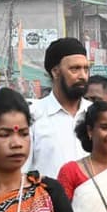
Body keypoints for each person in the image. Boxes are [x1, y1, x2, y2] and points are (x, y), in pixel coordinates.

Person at [29, 38, 91, 179]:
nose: (82, 76)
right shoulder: (33, 115)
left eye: (86, 69)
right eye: (74, 69)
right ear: (56, 72)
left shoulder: (97, 113)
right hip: (48, 200)